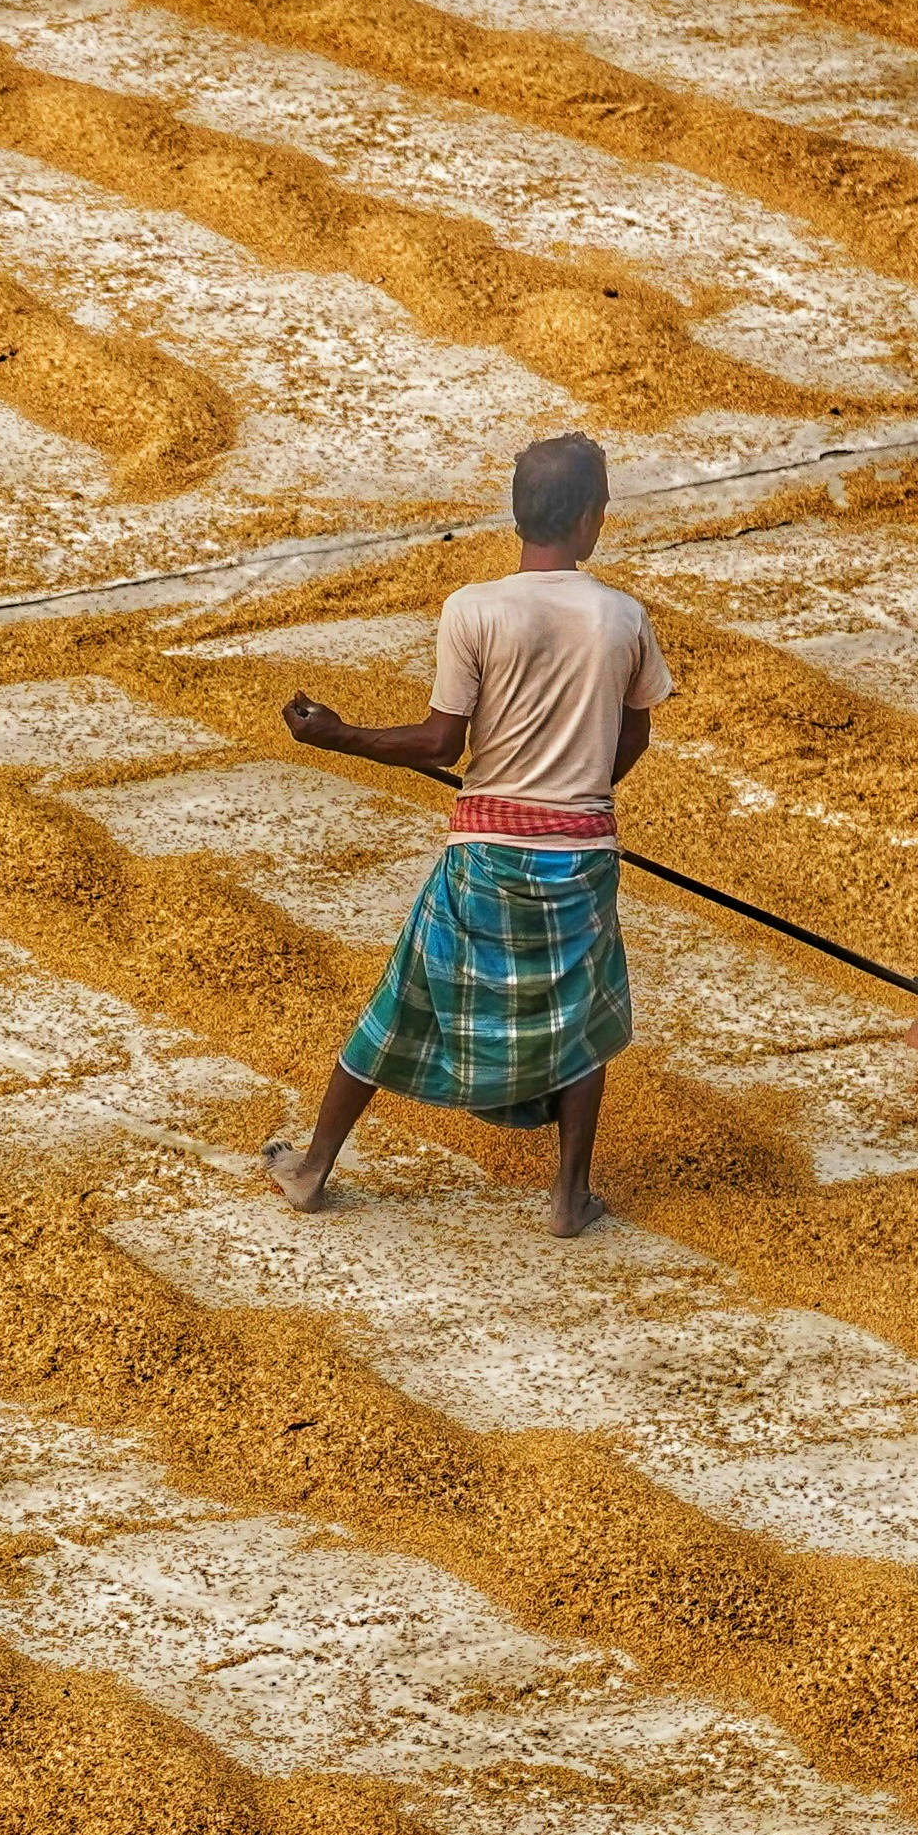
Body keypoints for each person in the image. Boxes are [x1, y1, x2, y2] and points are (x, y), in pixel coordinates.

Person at [269, 433, 674, 1238]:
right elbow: (635, 736)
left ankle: (312, 1169)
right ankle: (568, 1198)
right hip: (581, 855)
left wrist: (338, 735)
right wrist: (578, 792)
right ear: (590, 519)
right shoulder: (623, 617)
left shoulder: (474, 609)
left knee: (401, 1002)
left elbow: (438, 743)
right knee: (582, 1020)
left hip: (484, 855)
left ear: (519, 516)